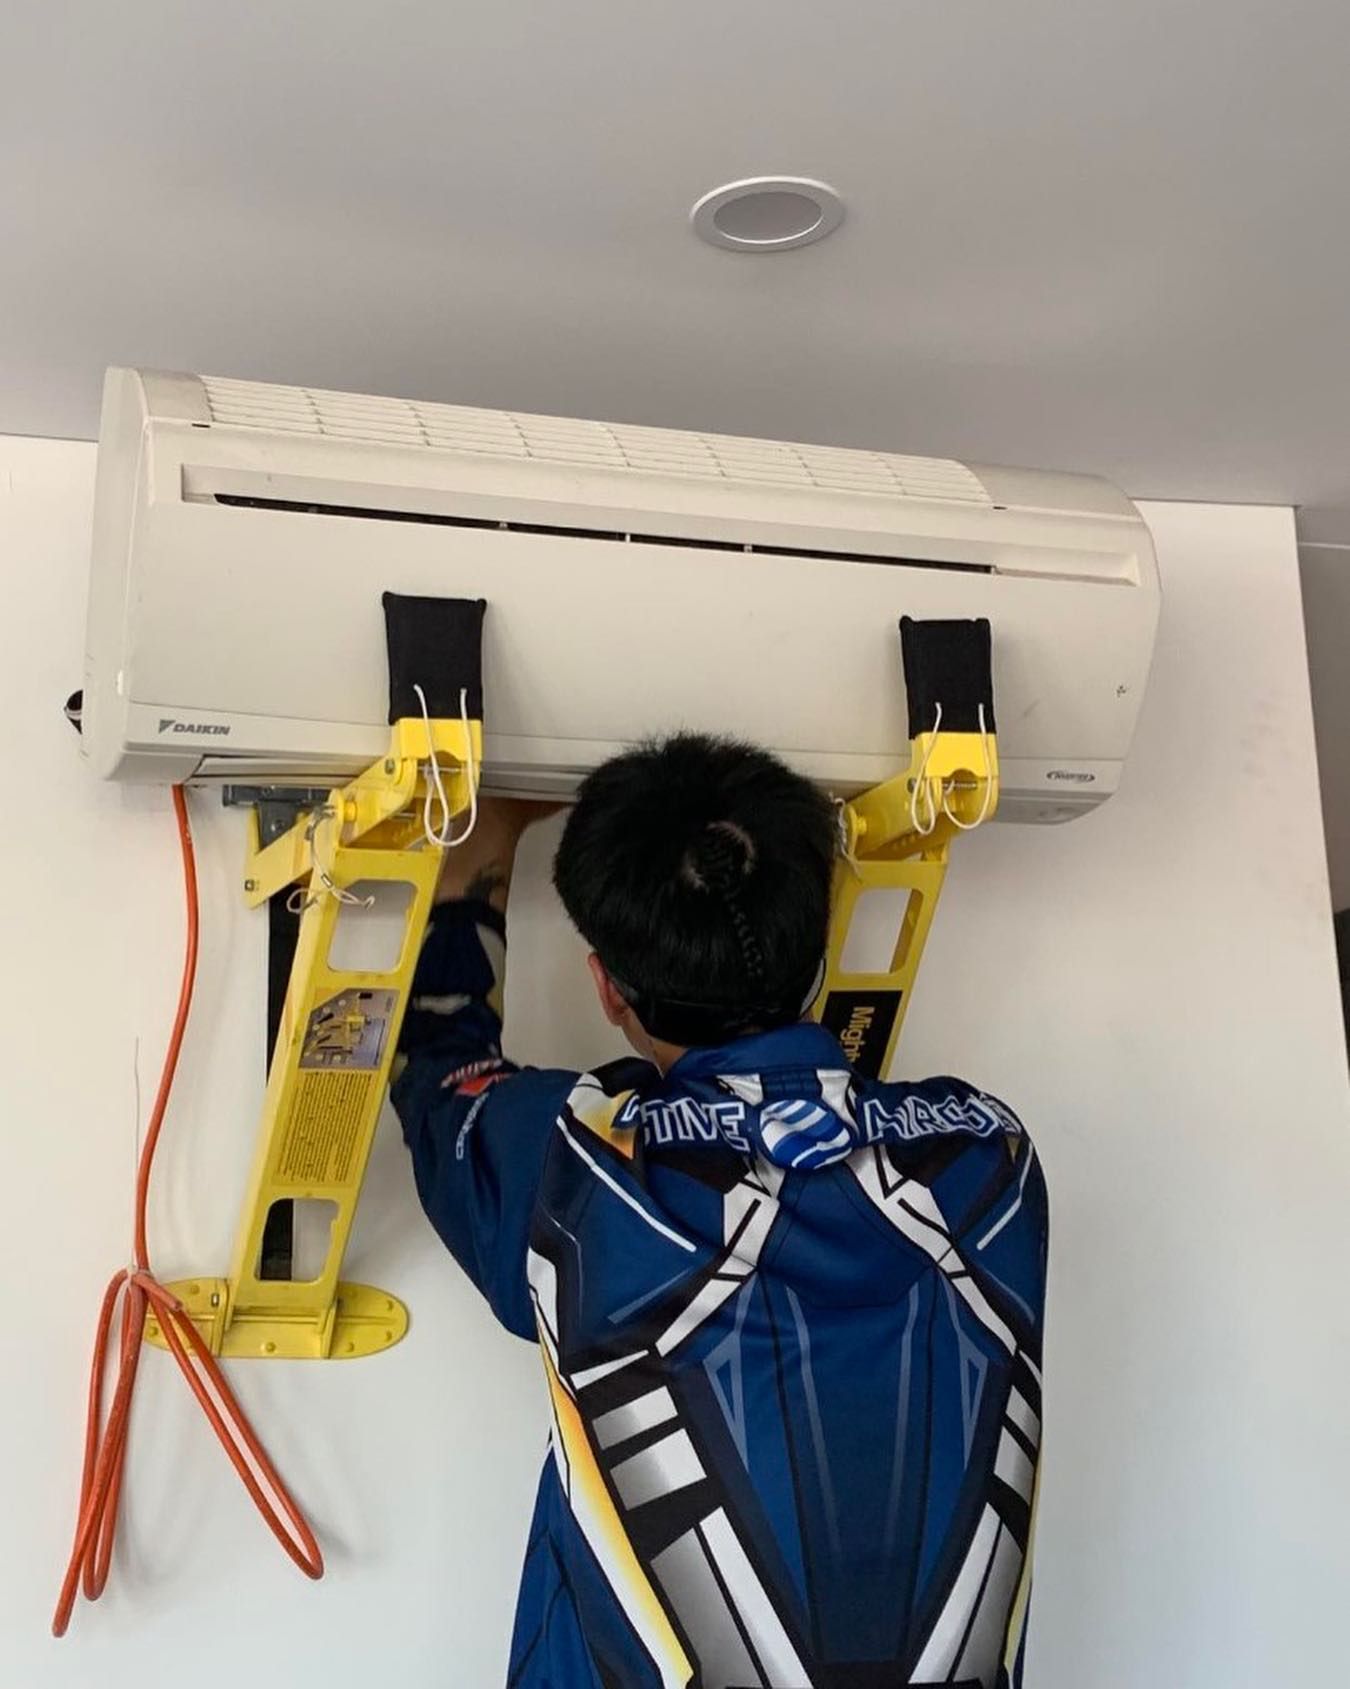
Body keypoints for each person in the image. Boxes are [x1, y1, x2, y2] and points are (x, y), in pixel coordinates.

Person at [392, 733, 1047, 1689]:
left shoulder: (578, 1164)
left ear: (608, 991)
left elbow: (443, 1062)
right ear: (820, 959)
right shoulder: (994, 1154)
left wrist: (481, 852)